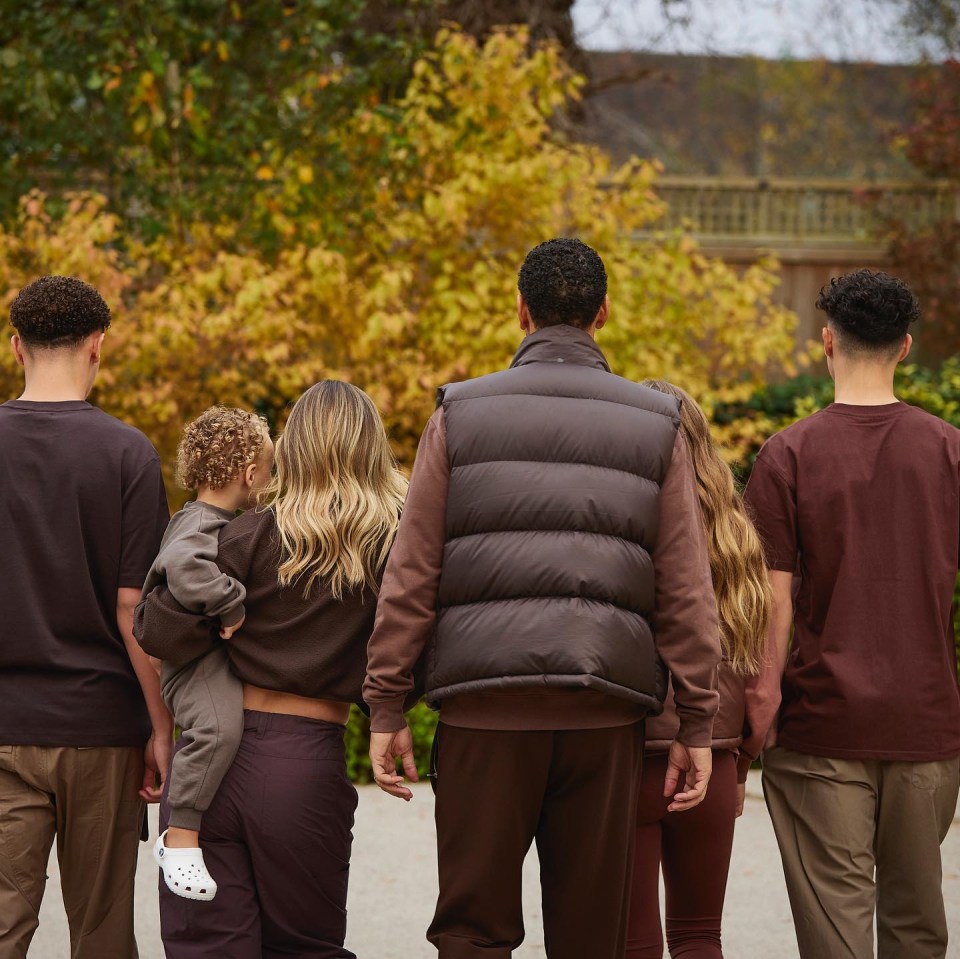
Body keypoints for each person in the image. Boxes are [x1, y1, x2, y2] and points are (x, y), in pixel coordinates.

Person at [364, 237, 722, 959]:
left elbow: (411, 572)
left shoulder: (459, 414)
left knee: (470, 926)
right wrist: (697, 721)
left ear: (520, 310)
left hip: (484, 708)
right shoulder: (656, 424)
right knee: (592, 933)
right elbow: (685, 586)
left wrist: (386, 703)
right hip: (603, 706)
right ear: (604, 314)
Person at [136, 380, 406, 959]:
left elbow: (156, 631)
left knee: (207, 946)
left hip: (212, 757)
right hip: (305, 763)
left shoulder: (246, 533)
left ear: (292, 448)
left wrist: (218, 616)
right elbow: (416, 652)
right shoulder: (395, 545)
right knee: (305, 946)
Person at [744, 269, 960, 959]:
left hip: (821, 722)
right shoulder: (951, 452)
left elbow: (772, 598)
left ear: (825, 341)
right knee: (918, 925)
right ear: (904, 347)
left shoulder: (787, 455)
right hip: (926, 721)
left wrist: (761, 696)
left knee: (835, 934)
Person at [0, 275, 170, 958]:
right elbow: (136, 607)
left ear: (16, 347)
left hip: (4, 724)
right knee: (102, 933)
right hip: (102, 728)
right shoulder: (127, 453)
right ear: (99, 344)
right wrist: (162, 725)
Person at [626, 380, 775, 959]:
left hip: (632, 753)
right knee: (699, 936)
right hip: (715, 751)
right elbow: (752, 660)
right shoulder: (736, 536)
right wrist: (741, 763)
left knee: (632, 940)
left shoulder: (626, 521)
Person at [142, 407, 273, 901]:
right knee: (217, 730)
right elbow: (183, 567)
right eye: (269, 468)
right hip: (190, 667)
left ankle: (185, 832)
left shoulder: (210, 518)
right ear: (248, 472)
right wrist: (231, 603)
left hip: (197, 662)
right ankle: (180, 837)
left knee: (222, 728)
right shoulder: (197, 523)